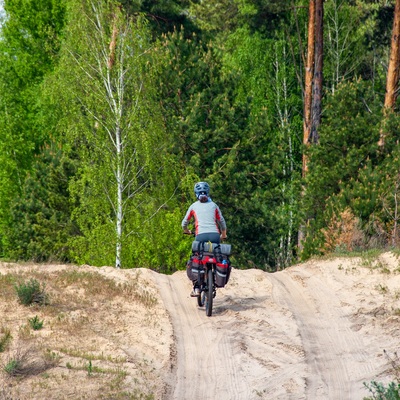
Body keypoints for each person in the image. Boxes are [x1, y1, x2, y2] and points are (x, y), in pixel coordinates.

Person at [182, 181, 227, 296]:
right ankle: (215, 280)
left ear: (195, 193)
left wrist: (187, 231)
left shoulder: (193, 206)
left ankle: (197, 287)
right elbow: (222, 221)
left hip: (200, 236)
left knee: (196, 257)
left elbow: (184, 223)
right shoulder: (214, 205)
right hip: (215, 236)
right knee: (216, 255)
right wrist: (223, 234)